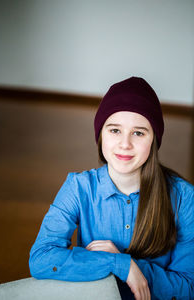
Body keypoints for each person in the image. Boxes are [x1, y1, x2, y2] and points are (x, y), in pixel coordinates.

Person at [29, 77, 194, 300]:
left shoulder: (184, 197)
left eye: (138, 132)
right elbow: (41, 259)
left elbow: (189, 287)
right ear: (101, 135)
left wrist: (135, 269)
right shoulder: (79, 187)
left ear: (154, 139)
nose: (125, 144)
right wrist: (120, 265)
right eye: (115, 130)